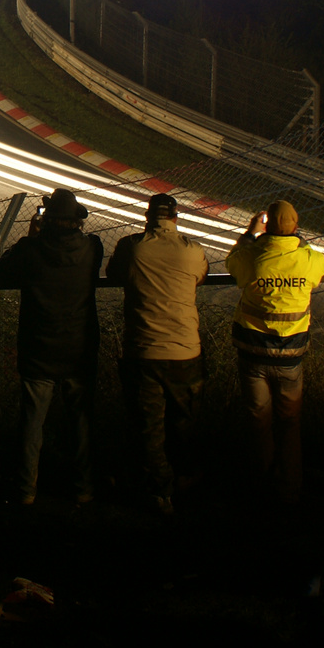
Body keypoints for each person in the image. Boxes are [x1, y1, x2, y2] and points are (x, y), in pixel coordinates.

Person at [0, 188, 105, 506]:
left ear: (48, 219)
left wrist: (29, 236)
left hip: (39, 350)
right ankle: (84, 488)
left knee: (32, 423)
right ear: (76, 222)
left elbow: (0, 270)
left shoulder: (30, 250)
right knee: (81, 422)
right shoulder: (91, 248)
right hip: (78, 349)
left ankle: (26, 489)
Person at [106, 193, 209, 515]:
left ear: (147, 217)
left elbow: (113, 275)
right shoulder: (192, 251)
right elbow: (201, 277)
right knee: (185, 423)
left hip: (144, 349)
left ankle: (158, 491)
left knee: (148, 426)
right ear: (176, 217)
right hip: (185, 350)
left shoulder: (131, 246)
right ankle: (185, 483)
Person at [226, 200, 324, 504]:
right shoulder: (307, 259)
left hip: (253, 354)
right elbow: (320, 264)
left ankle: (262, 484)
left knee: (259, 421)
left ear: (266, 226)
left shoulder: (254, 255)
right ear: (296, 228)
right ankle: (290, 488)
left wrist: (249, 234)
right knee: (290, 423)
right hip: (291, 356)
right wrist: (299, 241)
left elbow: (232, 264)